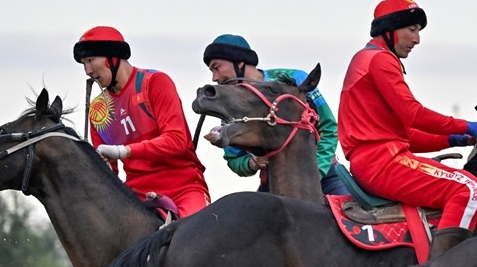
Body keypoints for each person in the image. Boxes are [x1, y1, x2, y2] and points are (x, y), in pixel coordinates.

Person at [338, 0, 477, 258]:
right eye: (412, 30)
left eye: (418, 32)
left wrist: (456, 138)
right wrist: (466, 124)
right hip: (382, 163)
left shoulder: (366, 59)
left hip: (375, 160)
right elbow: (413, 114)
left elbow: (406, 136)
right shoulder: (381, 60)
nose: (417, 39)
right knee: (469, 189)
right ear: (389, 30)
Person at [74, 25, 211, 217]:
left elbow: (177, 140)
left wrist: (124, 151)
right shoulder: (98, 110)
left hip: (183, 187)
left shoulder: (155, 82)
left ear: (114, 57)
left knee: (197, 240)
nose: (87, 71)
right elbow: (107, 175)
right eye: (83, 64)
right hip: (137, 196)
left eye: (90, 60)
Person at [202, 34, 349, 196]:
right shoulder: (230, 107)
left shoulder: (294, 79)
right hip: (277, 185)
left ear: (239, 61)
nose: (214, 78)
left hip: (326, 176)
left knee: (357, 219)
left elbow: (329, 127)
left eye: (217, 68)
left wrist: (316, 171)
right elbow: (234, 159)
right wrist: (251, 163)